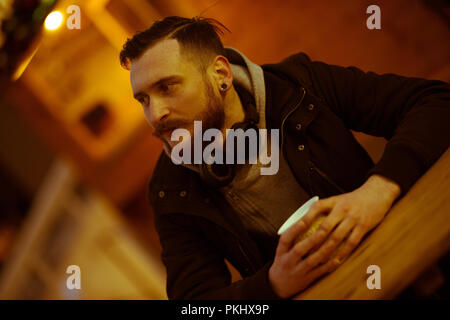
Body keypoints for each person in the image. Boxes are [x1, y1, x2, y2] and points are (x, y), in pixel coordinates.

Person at [119, 16, 450, 299]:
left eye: (167, 87)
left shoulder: (299, 86)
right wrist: (272, 284)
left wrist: (377, 191)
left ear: (221, 75)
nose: (155, 113)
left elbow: (435, 102)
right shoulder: (169, 188)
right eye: (143, 99)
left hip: (410, 259)